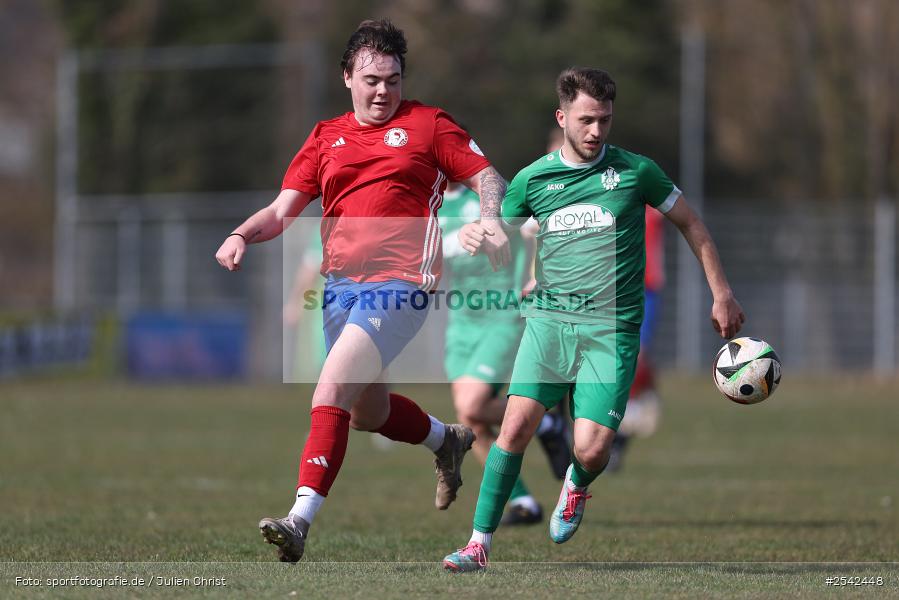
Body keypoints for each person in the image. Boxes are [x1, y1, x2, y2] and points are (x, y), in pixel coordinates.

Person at [215, 19, 511, 563]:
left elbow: (489, 178)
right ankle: (445, 440)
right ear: (347, 77)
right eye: (372, 79)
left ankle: (298, 520)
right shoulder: (325, 137)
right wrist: (240, 235)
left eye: (393, 80)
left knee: (328, 390)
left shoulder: (428, 125)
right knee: (366, 412)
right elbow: (283, 212)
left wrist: (491, 219)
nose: (383, 91)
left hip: (401, 284)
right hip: (340, 288)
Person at [442, 67, 744, 572]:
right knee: (514, 428)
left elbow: (692, 224)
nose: (596, 131)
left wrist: (722, 293)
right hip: (549, 325)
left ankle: (576, 484)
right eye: (585, 120)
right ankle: (478, 543)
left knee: (594, 448)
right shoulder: (533, 179)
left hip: (612, 330)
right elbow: (505, 233)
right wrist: (481, 233)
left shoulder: (636, 172)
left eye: (604, 119)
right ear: (562, 117)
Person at [439, 180, 570, 526]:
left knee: (472, 406)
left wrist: (533, 277)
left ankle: (544, 418)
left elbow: (533, 230)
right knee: (470, 421)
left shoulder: (489, 200)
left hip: (501, 313)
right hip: (461, 322)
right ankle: (524, 501)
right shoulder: (430, 205)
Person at [606, 191, 666, 472]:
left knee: (636, 357)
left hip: (646, 288)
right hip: (613, 288)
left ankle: (620, 433)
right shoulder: (608, 203)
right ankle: (614, 432)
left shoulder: (653, 200)